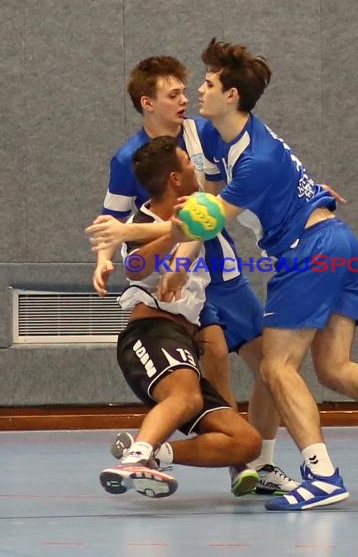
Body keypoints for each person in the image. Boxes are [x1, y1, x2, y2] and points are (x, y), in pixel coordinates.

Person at [87, 39, 358, 511]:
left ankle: (321, 474)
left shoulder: (251, 159)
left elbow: (204, 220)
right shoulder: (232, 142)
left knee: (275, 366)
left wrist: (130, 231)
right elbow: (210, 207)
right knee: (334, 368)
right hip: (338, 242)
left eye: (204, 84)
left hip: (307, 251)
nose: (195, 94)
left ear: (230, 97)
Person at [93, 55, 297, 496]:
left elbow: (243, 181)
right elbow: (114, 220)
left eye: (188, 91)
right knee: (213, 357)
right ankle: (227, 461)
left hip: (216, 267)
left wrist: (304, 192)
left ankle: (257, 461)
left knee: (270, 367)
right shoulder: (130, 159)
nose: (186, 99)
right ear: (148, 104)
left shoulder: (204, 131)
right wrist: (104, 258)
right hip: (176, 282)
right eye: (174, 95)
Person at [100, 135, 262, 499]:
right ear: (175, 178)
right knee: (186, 398)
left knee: (245, 440)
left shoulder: (199, 212)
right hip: (151, 334)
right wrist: (172, 237)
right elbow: (137, 268)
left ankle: (154, 455)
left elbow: (241, 199)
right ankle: (134, 460)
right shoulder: (144, 219)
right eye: (188, 162)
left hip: (185, 341)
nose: (195, 165)